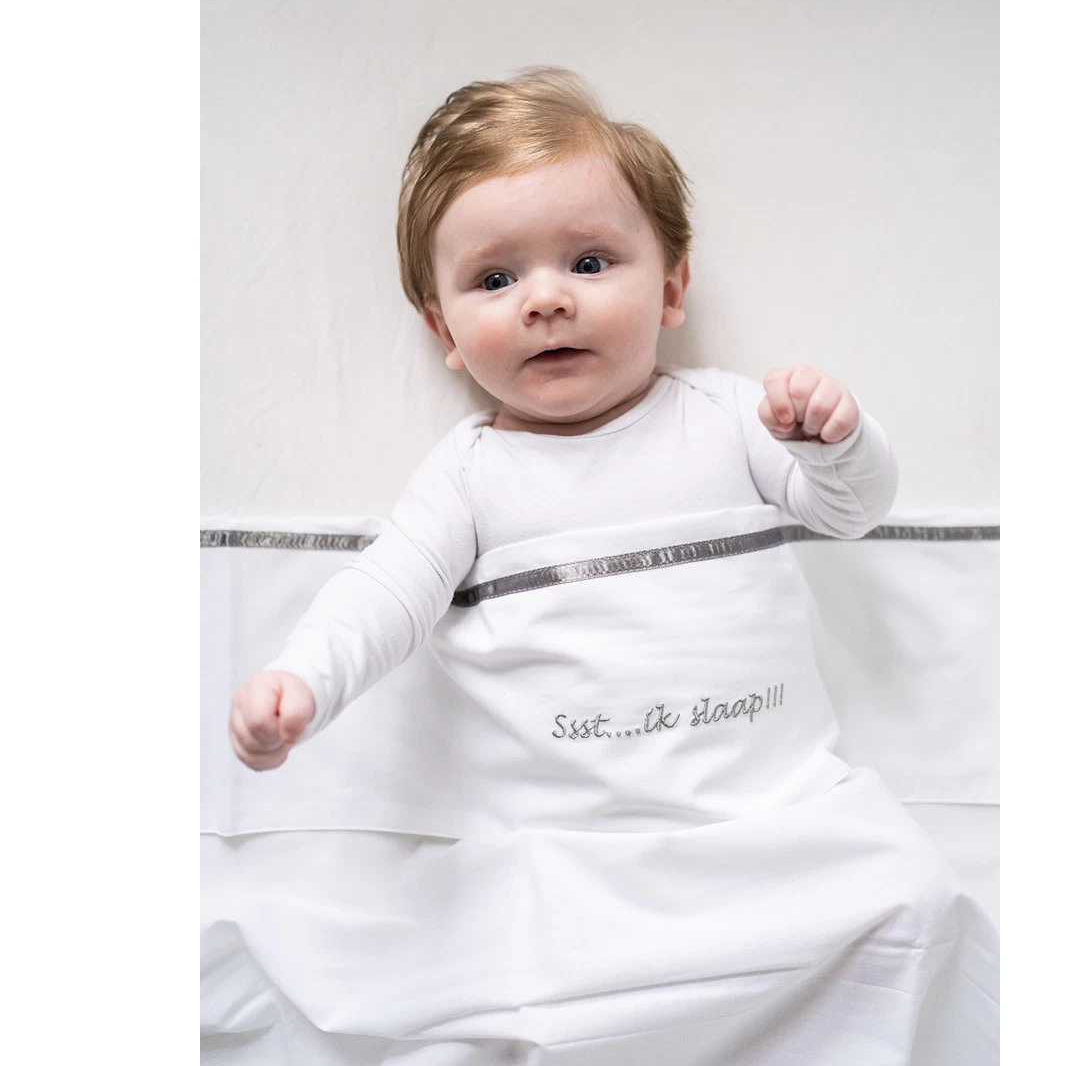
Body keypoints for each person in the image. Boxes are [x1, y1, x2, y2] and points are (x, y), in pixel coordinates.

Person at [223, 67, 999, 1064]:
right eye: (495, 281)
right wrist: (304, 681)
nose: (546, 300)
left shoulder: (730, 419)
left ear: (670, 286)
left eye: (589, 262)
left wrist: (835, 443)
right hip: (575, 858)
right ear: (444, 330)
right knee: (539, 991)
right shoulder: (471, 478)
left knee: (914, 899)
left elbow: (851, 512)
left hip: (780, 827)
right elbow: (383, 596)